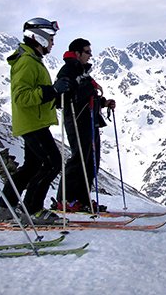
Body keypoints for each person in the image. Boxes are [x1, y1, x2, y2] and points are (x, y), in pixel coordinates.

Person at [0, 17, 69, 225]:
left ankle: (6, 207)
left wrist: (53, 94)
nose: (53, 43)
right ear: (40, 38)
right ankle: (32, 210)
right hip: (32, 123)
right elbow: (21, 97)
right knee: (52, 162)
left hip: (33, 121)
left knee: (31, 166)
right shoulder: (26, 62)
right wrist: (52, 90)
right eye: (51, 38)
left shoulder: (31, 59)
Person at [53, 38, 116, 213]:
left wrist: (103, 103)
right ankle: (65, 200)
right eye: (87, 52)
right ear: (77, 53)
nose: (90, 56)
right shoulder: (68, 71)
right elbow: (63, 98)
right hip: (77, 120)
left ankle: (81, 199)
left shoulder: (81, 71)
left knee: (90, 161)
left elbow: (87, 95)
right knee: (79, 159)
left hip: (89, 119)